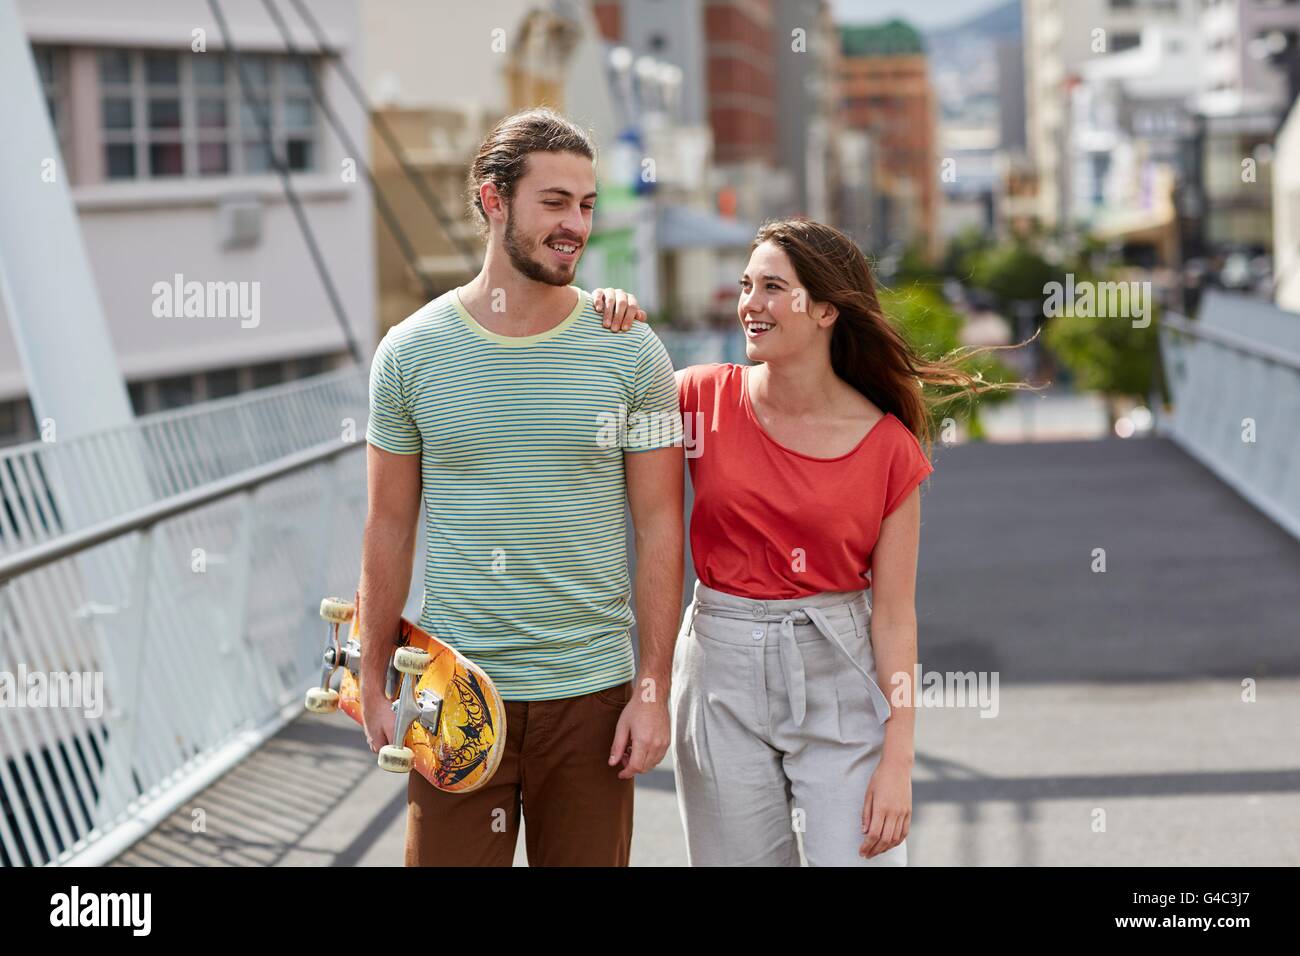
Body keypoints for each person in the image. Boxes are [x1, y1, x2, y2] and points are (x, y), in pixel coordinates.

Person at [594, 218, 1032, 866]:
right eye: (747, 285)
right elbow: (599, 417)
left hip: (839, 674)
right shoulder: (697, 399)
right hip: (720, 668)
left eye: (774, 287)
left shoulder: (889, 449)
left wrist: (898, 759)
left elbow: (893, 617)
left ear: (826, 308)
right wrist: (609, 318)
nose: (750, 303)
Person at [361, 107, 683, 867]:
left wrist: (651, 689)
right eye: (554, 202)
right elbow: (388, 527)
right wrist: (370, 676)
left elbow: (663, 527)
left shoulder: (630, 353)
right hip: (456, 693)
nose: (576, 223)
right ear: (493, 200)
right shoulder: (408, 355)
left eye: (586, 204)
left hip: (594, 698)